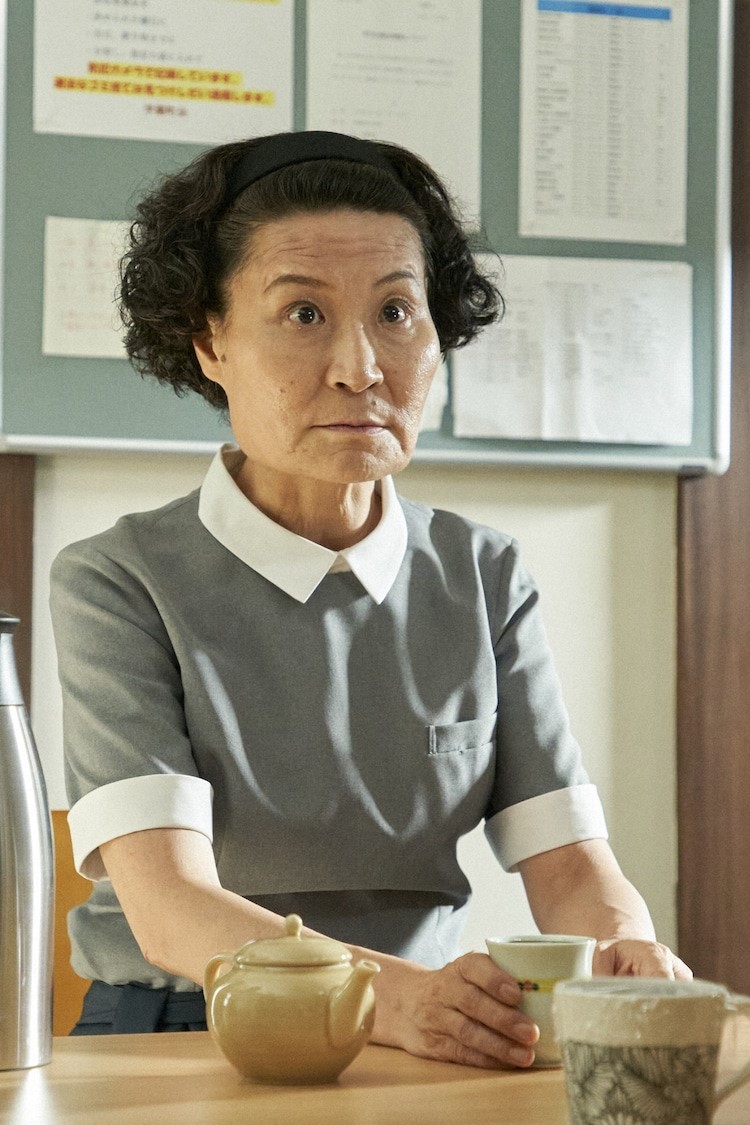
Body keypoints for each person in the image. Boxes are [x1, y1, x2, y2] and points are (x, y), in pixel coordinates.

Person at [50, 129, 690, 1064]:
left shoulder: (483, 574)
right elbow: (171, 909)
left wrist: (626, 945)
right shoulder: (119, 579)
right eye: (303, 313)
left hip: (423, 1037)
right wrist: (395, 998)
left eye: (396, 311)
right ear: (210, 339)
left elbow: (569, 865)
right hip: (187, 1033)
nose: (361, 366)